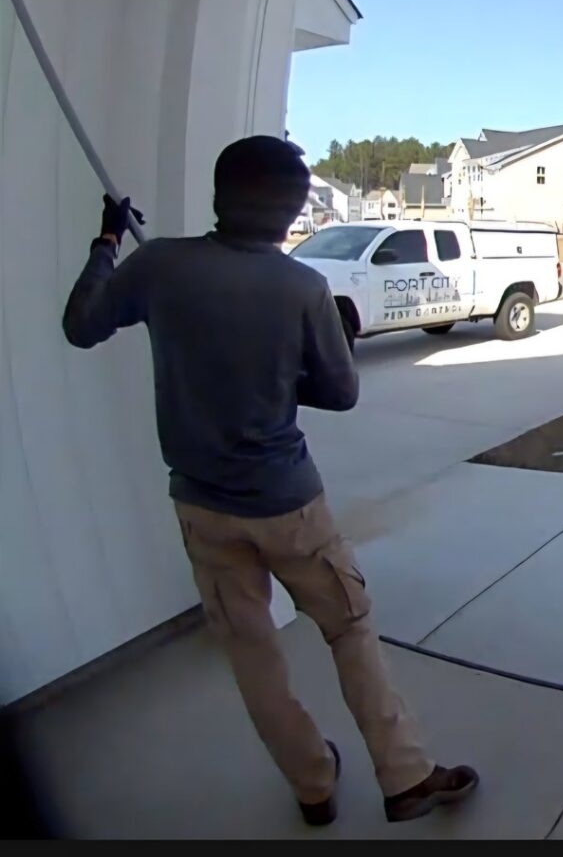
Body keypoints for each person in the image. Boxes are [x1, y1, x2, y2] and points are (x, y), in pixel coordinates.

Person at [63, 136, 478, 826]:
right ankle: (404, 775)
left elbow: (82, 325)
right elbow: (340, 392)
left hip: (200, 506)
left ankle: (312, 784)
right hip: (289, 506)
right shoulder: (302, 287)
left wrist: (108, 241)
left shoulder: (159, 264)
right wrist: (280, 373)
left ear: (220, 195)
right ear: (290, 213)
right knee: (349, 631)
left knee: (250, 652)